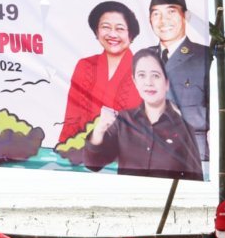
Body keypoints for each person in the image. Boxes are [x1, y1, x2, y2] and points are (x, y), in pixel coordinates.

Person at [84, 48, 203, 180]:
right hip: (127, 199)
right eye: (141, 75)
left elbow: (195, 181)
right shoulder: (123, 121)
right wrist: (99, 129)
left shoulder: (184, 129)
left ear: (167, 83)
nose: (149, 83)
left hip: (166, 200)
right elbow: (93, 164)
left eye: (155, 75)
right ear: (135, 81)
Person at [57, 0, 142, 162]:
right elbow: (72, 117)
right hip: (82, 156)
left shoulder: (145, 69)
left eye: (120, 29)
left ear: (131, 35)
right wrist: (65, 151)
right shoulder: (85, 66)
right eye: (105, 27)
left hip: (127, 162)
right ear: (96, 32)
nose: (112, 34)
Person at [149, 0, 211, 162]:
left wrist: (178, 115)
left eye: (171, 12)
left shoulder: (204, 57)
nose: (163, 21)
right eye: (156, 14)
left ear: (186, 16)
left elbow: (218, 112)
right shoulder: (143, 57)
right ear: (149, 20)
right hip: (149, 156)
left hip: (192, 155)